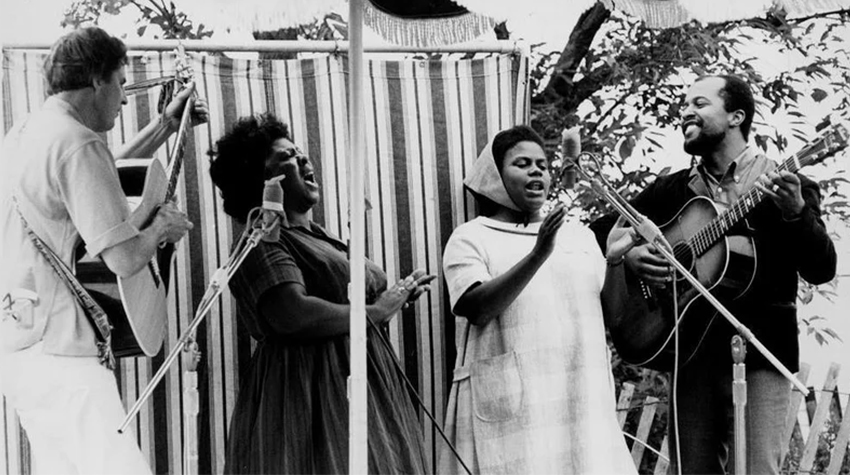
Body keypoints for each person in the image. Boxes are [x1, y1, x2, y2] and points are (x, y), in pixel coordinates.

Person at [590, 75, 837, 474]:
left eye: (700, 103)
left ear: (736, 116)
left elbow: (822, 268)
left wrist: (796, 213)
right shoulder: (671, 190)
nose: (686, 111)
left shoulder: (787, 184)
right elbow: (597, 232)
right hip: (690, 353)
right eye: (684, 103)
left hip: (761, 351)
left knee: (759, 469)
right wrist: (631, 256)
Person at [0, 27, 209, 474]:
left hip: (19, 349)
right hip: (63, 351)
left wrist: (166, 126)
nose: (125, 96)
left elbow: (100, 179)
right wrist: (161, 230)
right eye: (120, 81)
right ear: (96, 79)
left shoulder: (27, 133)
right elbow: (123, 259)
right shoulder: (78, 143)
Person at [208, 113, 433, 474]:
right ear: (265, 182)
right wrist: (377, 312)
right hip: (308, 393)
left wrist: (396, 294)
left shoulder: (318, 236)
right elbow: (292, 315)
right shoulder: (263, 239)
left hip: (364, 381)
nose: (303, 161)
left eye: (300, 153)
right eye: (287, 159)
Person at [437, 124, 638, 474]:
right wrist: (538, 252)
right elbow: (477, 308)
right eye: (522, 163)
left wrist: (615, 260)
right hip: (515, 417)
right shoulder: (471, 237)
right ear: (495, 176)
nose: (536, 171)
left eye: (543, 165)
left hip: (580, 405)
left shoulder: (578, 236)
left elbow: (614, 316)